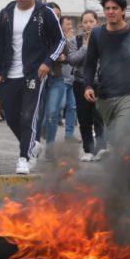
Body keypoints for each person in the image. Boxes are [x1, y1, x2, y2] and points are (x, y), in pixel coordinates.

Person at [0, 0, 65, 175]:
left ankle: (23, 157)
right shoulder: (6, 13)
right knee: (11, 115)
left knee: (27, 117)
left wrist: (47, 62)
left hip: (34, 74)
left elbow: (60, 41)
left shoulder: (44, 13)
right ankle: (32, 144)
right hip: (8, 75)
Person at [83, 0, 130, 145]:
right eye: (107, 8)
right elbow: (90, 64)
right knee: (114, 139)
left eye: (115, 8)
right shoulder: (97, 34)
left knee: (122, 134)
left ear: (123, 11)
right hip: (105, 96)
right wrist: (87, 86)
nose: (111, 12)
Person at [67, 10, 106, 162]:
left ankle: (101, 148)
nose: (88, 24)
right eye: (85, 22)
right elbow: (72, 60)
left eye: (91, 21)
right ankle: (88, 150)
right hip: (80, 83)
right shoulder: (74, 41)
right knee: (84, 118)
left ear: (97, 22)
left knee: (99, 117)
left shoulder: (104, 39)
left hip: (100, 83)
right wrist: (85, 46)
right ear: (81, 24)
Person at [42, 15, 76, 160]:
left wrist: (63, 56)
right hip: (40, 78)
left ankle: (50, 147)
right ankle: (36, 141)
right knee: (41, 114)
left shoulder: (63, 39)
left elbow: (68, 56)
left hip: (57, 78)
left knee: (53, 111)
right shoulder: (39, 34)